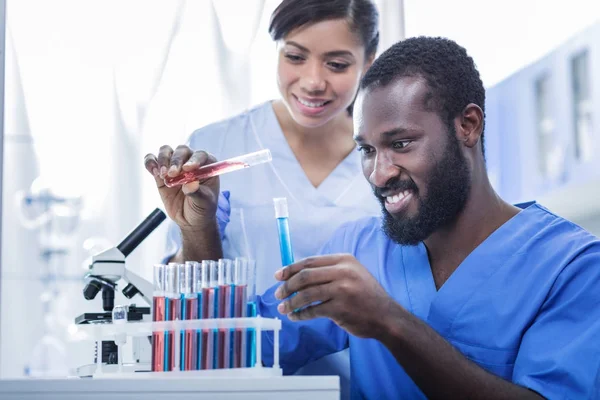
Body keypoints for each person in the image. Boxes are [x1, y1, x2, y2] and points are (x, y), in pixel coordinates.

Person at [255, 37, 600, 399]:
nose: (379, 174)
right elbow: (243, 345)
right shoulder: (357, 250)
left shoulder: (573, 268)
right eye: (367, 150)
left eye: (400, 144)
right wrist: (200, 228)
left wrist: (390, 322)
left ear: (468, 125)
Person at [143, 0, 380, 397]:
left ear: (368, 61)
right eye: (295, 56)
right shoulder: (217, 145)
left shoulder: (386, 159)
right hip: (236, 385)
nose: (312, 81)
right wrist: (196, 229)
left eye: (337, 64)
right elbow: (188, 298)